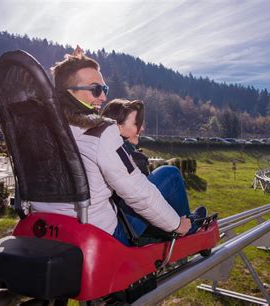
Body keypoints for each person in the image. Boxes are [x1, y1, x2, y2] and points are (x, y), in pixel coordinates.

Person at [30, 47, 204, 245]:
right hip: (100, 236)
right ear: (69, 93)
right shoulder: (101, 131)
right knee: (170, 174)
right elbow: (136, 191)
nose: (103, 98)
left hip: (45, 228)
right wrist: (175, 224)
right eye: (96, 89)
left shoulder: (36, 132)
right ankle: (185, 233)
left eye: (105, 90)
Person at [101, 99, 205, 242]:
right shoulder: (124, 155)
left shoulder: (103, 146)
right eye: (136, 124)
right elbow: (144, 200)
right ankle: (189, 227)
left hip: (116, 221)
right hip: (124, 227)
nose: (141, 129)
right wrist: (176, 225)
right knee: (170, 174)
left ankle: (186, 222)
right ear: (117, 126)